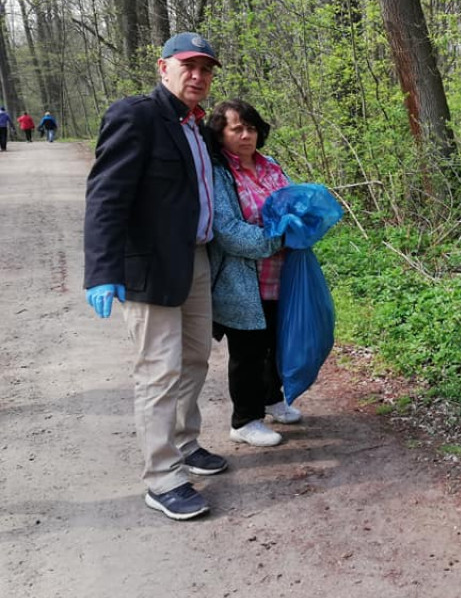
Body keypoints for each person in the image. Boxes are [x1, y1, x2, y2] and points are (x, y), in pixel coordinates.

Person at [83, 32, 226, 521]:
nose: (198, 76)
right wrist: (103, 270)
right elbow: (105, 197)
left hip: (197, 260)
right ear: (163, 68)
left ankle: (185, 443)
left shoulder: (198, 127)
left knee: (195, 359)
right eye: (188, 65)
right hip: (151, 268)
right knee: (159, 370)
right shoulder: (138, 116)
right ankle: (162, 476)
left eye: (206, 69)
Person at [207, 99, 303, 449]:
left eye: (251, 128)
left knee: (278, 342)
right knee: (248, 351)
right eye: (237, 128)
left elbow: (293, 202)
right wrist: (276, 238)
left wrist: (304, 221)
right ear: (220, 133)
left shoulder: (271, 166)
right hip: (241, 280)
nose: (246, 135)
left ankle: (272, 399)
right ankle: (244, 420)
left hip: (281, 274)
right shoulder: (218, 173)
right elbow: (227, 229)